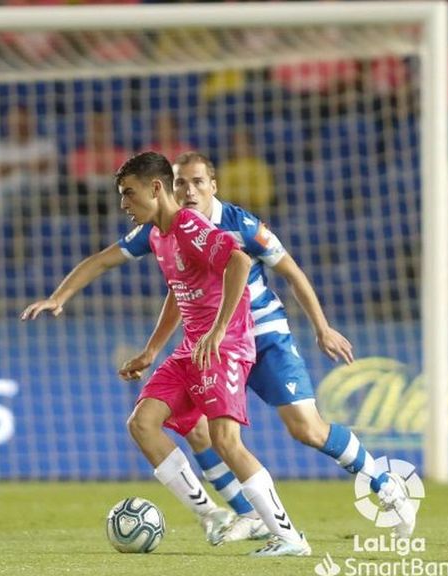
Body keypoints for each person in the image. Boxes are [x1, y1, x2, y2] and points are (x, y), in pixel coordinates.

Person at [22, 151, 310, 556]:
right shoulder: (156, 234)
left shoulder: (190, 227)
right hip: (192, 348)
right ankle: (213, 515)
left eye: (129, 193)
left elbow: (240, 262)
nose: (123, 203)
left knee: (226, 439)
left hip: (223, 346)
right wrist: (59, 298)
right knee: (143, 423)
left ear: (156, 189)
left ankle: (290, 537)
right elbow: (108, 264)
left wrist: (220, 327)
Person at [117, 151, 416, 538]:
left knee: (307, 429)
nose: (188, 190)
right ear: (168, 187)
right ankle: (248, 515)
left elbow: (291, 271)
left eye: (197, 182)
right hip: (218, 344)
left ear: (213, 186)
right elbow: (178, 291)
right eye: (181, 183)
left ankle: (386, 486)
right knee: (197, 429)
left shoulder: (241, 224)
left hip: (263, 334)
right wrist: (155, 347)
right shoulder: (171, 232)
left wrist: (322, 327)